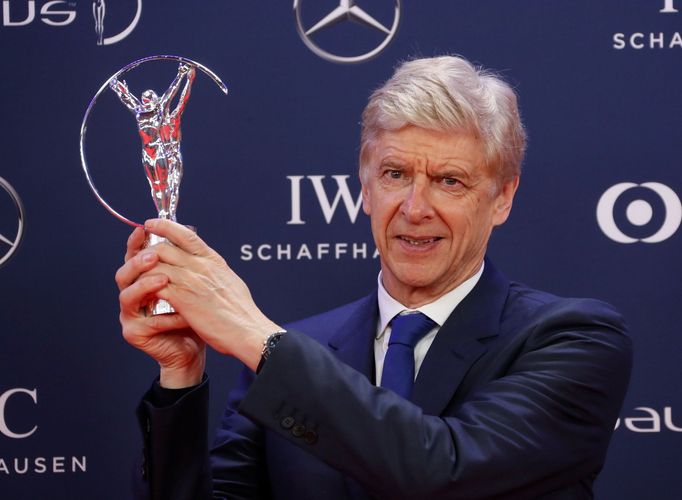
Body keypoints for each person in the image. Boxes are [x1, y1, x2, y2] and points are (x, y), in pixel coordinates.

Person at [115, 55, 632, 499]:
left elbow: (443, 473)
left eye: (448, 181)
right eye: (394, 175)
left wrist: (256, 337)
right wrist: (179, 375)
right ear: (364, 185)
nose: (414, 208)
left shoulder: (574, 340)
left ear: (503, 198)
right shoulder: (298, 350)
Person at [110, 63, 195, 220]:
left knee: (166, 185)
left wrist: (181, 75)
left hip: (159, 151)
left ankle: (169, 215)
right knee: (155, 185)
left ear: (155, 100)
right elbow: (126, 98)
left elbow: (171, 93)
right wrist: (116, 86)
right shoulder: (139, 112)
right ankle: (162, 213)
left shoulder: (160, 110)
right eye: (144, 99)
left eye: (149, 99)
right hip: (146, 153)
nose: (146, 101)